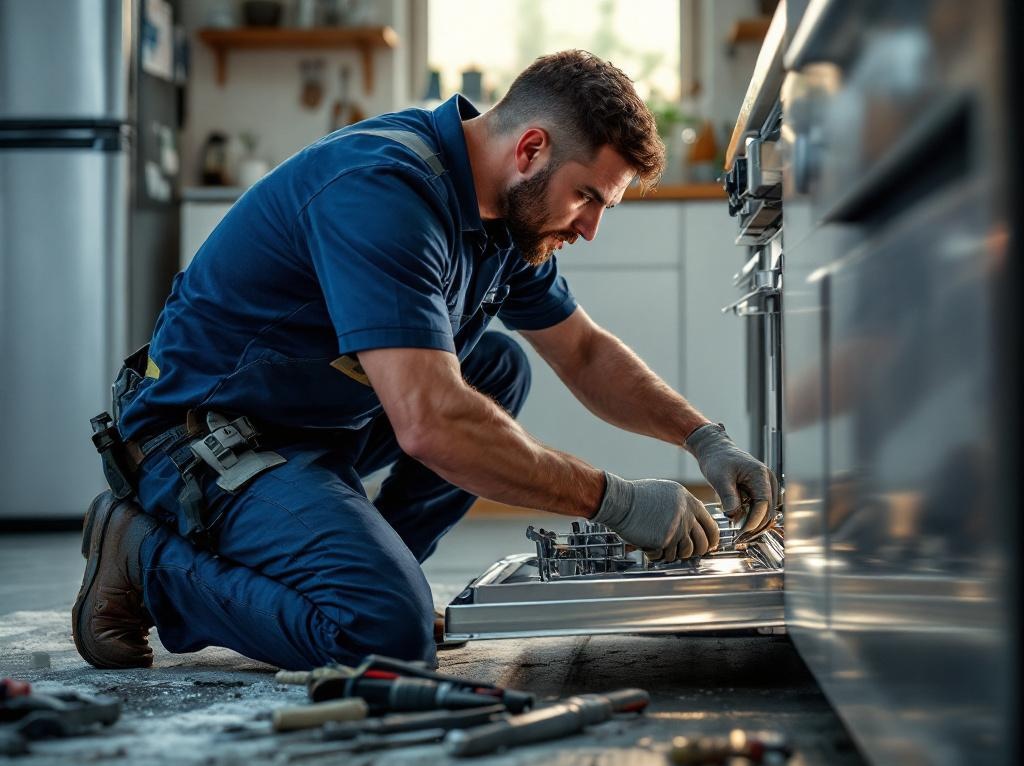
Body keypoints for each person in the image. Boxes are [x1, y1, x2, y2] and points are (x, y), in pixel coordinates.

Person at [73, 50, 778, 672]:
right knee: (379, 633)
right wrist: (615, 501)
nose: (590, 228)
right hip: (200, 441)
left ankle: (377, 569)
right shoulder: (384, 192)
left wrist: (702, 438)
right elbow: (431, 425)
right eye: (588, 196)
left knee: (498, 368)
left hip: (311, 425)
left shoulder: (507, 215)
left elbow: (585, 351)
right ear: (530, 148)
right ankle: (144, 558)